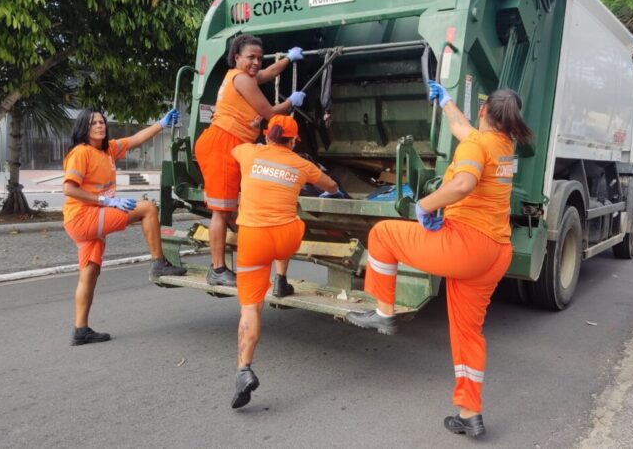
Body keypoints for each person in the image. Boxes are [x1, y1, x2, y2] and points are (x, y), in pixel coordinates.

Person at [344, 81, 533, 438]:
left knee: (383, 234)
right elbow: (465, 132)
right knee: (468, 333)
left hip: (467, 245)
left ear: (483, 111)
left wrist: (425, 204)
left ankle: (384, 313)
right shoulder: (504, 145)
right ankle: (469, 413)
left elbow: (462, 184)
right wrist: (446, 102)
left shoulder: (479, 144)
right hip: (496, 252)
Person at [228, 114, 342, 409]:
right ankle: (281, 279)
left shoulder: (248, 153)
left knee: (250, 307)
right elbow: (330, 185)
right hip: (286, 237)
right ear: (292, 141)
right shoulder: (301, 164)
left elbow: (235, 149)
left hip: (253, 239)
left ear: (267, 136)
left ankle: (244, 369)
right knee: (294, 221)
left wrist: (255, 134)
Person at [63, 108, 187, 346]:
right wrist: (107, 201)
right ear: (83, 128)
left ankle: (80, 330)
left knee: (89, 273)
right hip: (83, 217)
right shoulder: (81, 153)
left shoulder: (108, 149)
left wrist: (161, 123)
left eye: (102, 121)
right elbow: (69, 188)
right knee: (148, 208)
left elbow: (136, 139)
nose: (99, 125)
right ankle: (158, 263)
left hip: (89, 218)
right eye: (93, 123)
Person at [195, 34, 306, 295]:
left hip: (228, 144)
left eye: (259, 57)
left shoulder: (242, 75)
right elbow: (269, 114)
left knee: (228, 209)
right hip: (222, 144)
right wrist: (292, 102)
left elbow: (267, 73)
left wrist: (288, 59)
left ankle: (234, 262)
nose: (256, 62)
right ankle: (218, 270)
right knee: (221, 211)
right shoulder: (242, 78)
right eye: (250, 57)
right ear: (236, 57)